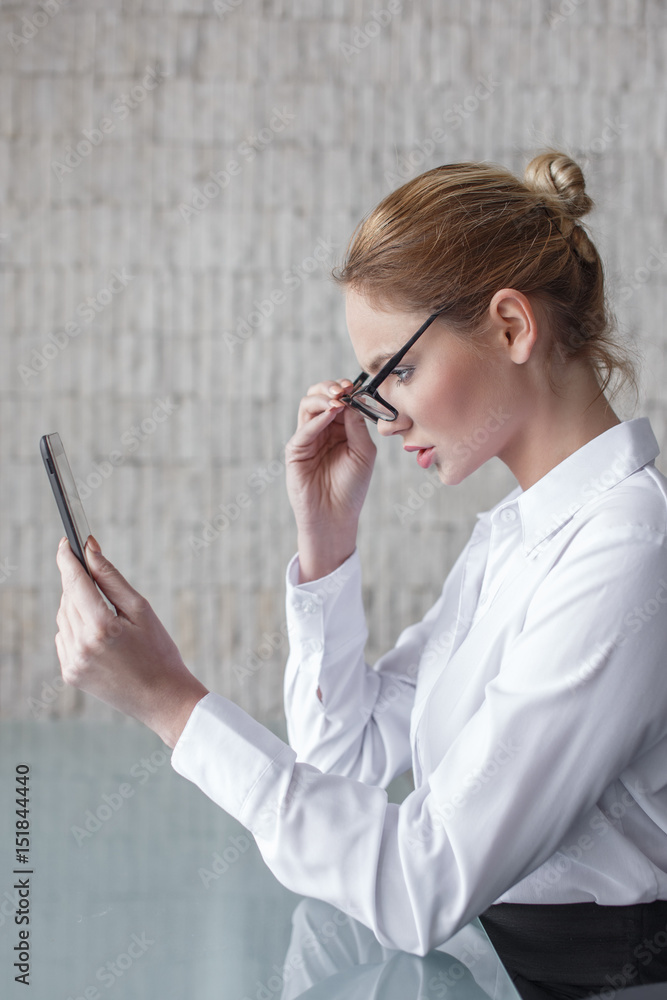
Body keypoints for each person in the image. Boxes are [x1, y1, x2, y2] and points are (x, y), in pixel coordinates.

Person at [54, 150, 667, 1000]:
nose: (381, 414)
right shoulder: (519, 535)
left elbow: (420, 885)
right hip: (496, 962)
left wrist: (169, 704)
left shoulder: (626, 553)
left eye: (397, 371)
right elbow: (345, 762)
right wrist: (326, 541)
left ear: (511, 327)